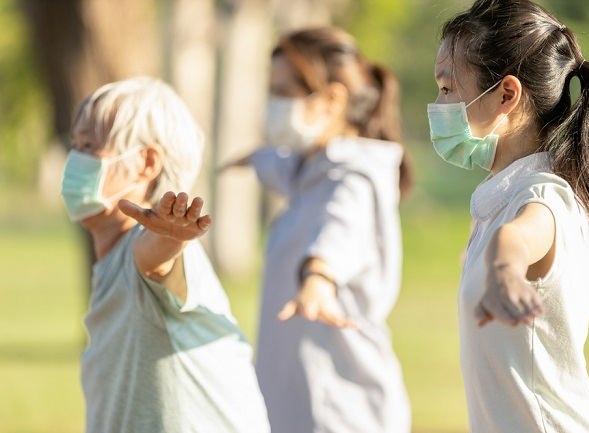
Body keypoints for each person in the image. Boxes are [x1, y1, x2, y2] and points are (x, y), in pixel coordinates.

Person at [426, 0, 589, 432]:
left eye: (448, 88)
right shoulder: (504, 196)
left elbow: (521, 238)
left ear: (506, 94)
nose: (437, 103)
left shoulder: (545, 197)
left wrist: (504, 271)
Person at [222, 27, 413, 433]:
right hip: (294, 406)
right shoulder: (309, 169)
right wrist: (250, 159)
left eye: (284, 93)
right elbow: (279, 165)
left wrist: (318, 279)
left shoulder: (353, 182)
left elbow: (338, 232)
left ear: (331, 99)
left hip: (340, 411)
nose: (273, 105)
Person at [60, 77, 270, 433]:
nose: (74, 160)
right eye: (75, 145)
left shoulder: (148, 243)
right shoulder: (111, 259)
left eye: (90, 146)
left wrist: (172, 240)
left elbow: (156, 261)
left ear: (146, 162)